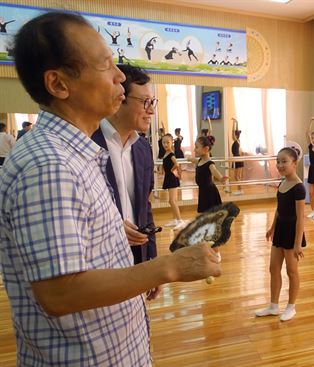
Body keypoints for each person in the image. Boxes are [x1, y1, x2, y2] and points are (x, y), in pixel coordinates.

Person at [0, 12, 220, 366]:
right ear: (58, 84)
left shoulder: (76, 153)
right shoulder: (49, 166)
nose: (120, 76)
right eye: (105, 65)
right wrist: (167, 268)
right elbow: (60, 292)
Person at [91, 64, 159, 267]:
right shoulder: (87, 142)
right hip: (99, 257)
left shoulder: (142, 149)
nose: (151, 111)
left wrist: (151, 260)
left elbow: (145, 208)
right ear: (119, 98)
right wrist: (111, 226)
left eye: (152, 102)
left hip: (136, 254)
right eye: (145, 102)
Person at [255, 146, 306, 322]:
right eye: (278, 161)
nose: (280, 165)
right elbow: (279, 209)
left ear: (295, 163)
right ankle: (273, 306)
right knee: (273, 268)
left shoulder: (299, 188)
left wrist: (298, 244)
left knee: (292, 271)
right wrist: (272, 227)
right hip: (280, 231)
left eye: (284, 161)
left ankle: (291, 307)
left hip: (292, 234)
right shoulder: (282, 183)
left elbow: (301, 219)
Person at [188, 135, 226, 261]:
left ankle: (216, 252)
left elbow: (215, 171)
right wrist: (188, 158)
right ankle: (207, 249)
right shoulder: (199, 161)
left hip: (210, 194)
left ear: (205, 149)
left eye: (196, 147)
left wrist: (221, 178)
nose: (195, 149)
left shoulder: (210, 163)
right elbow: (194, 160)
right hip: (203, 194)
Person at [161, 133, 184, 227]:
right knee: (171, 200)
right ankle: (175, 219)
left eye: (167, 142)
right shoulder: (166, 153)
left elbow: (176, 164)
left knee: (172, 201)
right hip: (169, 177)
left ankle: (180, 221)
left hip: (172, 178)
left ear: (172, 143)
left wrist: (171, 170)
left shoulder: (171, 154)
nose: (165, 144)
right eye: (163, 142)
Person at [230, 117, 244, 195]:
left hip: (237, 158)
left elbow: (233, 132)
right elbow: (236, 132)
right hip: (237, 158)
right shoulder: (238, 140)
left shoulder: (236, 140)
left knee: (236, 176)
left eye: (234, 135)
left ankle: (240, 190)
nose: (232, 136)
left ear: (235, 136)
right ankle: (240, 190)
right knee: (237, 176)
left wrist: (234, 123)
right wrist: (236, 122)